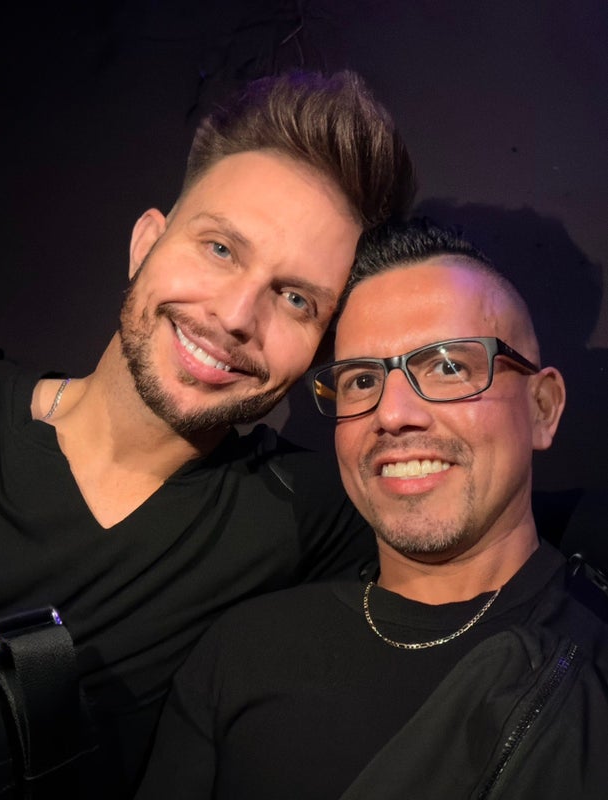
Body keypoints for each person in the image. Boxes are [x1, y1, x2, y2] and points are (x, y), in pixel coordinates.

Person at [0, 71, 416, 798]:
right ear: (146, 241)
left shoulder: (305, 514)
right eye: (219, 249)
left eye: (295, 298)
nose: (236, 316)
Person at [136, 220, 608, 800]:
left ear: (542, 409)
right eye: (361, 380)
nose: (394, 414)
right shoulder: (241, 653)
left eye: (449, 366)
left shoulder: (592, 658)